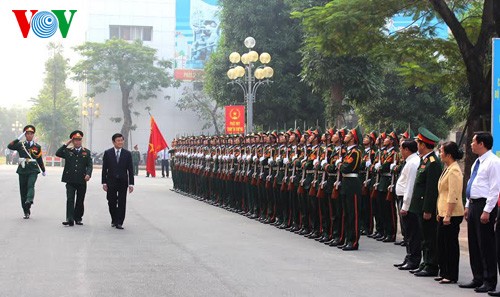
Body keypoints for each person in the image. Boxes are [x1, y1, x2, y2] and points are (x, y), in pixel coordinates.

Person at [459, 131, 500, 293]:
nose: (471, 144)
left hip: (484, 205)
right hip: (474, 204)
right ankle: (477, 277)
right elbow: (473, 184)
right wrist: (468, 205)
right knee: (474, 243)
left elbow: (494, 188)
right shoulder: (478, 162)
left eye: (473, 141)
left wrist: (487, 210)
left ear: (482, 144)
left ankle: (489, 280)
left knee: (486, 244)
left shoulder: (493, 162)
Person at [409, 127, 442, 277]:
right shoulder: (425, 160)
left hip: (425, 206)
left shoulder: (434, 162)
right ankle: (425, 262)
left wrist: (428, 209)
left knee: (429, 237)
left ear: (423, 144)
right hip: (419, 205)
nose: (416, 145)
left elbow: (431, 189)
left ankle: (431, 265)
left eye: (418, 142)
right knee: (424, 237)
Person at [435, 141, 464, 284]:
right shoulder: (447, 168)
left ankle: (451, 274)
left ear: (449, 154)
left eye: (441, 151)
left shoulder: (455, 170)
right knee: (442, 243)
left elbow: (453, 194)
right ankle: (444, 271)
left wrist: (447, 214)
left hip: (452, 214)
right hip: (443, 212)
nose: (440, 154)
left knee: (450, 244)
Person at [7, 125, 46, 219]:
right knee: (23, 190)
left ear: (33, 135)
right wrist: (18, 138)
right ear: (25, 135)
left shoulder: (37, 147)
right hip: (22, 169)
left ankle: (29, 200)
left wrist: (43, 170)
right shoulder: (20, 144)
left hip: (33, 169)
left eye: (31, 134)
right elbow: (10, 146)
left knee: (31, 185)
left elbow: (39, 159)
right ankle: (26, 211)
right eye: (27, 134)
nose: (29, 135)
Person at [55, 130, 93, 226]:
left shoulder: (86, 152)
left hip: (82, 179)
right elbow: (58, 153)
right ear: (72, 141)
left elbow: (89, 165)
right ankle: (69, 218)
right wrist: (66, 144)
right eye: (75, 140)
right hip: (70, 179)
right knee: (70, 199)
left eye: (79, 140)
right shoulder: (68, 151)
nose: (77, 142)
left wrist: (88, 174)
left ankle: (78, 218)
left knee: (80, 200)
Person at [394, 140, 420, 270]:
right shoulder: (409, 161)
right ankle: (409, 257)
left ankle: (413, 259)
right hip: (402, 198)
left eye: (400, 148)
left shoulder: (413, 162)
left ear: (406, 149)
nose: (400, 151)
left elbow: (410, 186)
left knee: (411, 232)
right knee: (407, 232)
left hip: (407, 200)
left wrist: (405, 205)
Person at [101, 133, 135, 229]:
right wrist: (104, 182)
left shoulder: (127, 154)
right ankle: (114, 218)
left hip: (123, 181)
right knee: (111, 201)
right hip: (111, 181)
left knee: (122, 202)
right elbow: (104, 169)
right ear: (113, 142)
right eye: (118, 140)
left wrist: (131, 184)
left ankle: (119, 222)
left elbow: (130, 170)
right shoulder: (108, 153)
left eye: (121, 140)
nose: (120, 142)